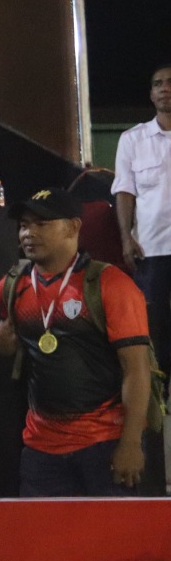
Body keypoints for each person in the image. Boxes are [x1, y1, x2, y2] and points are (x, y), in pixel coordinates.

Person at [0, 189, 152, 497]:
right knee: (42, 530)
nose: (28, 233)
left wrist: (130, 443)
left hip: (104, 442)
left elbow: (136, 369)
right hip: (40, 447)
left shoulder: (110, 284)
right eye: (23, 225)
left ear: (73, 227)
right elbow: (11, 341)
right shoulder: (11, 286)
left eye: (41, 224)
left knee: (107, 530)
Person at [111, 60, 171, 370]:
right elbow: (124, 191)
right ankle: (160, 390)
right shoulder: (132, 139)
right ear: (151, 95)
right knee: (154, 325)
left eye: (170, 83)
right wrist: (126, 238)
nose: (165, 89)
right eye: (158, 84)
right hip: (151, 249)